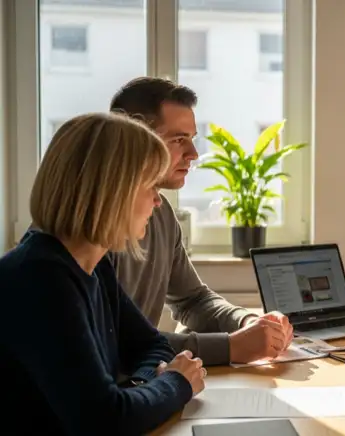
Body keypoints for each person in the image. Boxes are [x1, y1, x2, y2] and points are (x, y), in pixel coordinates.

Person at [1, 112, 206, 435]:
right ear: (111, 191)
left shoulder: (93, 263)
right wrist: (176, 382)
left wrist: (139, 388)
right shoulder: (40, 280)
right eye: (149, 185)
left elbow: (153, 346)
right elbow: (107, 420)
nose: (156, 200)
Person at [107, 76, 293, 365]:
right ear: (136, 136)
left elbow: (192, 300)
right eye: (179, 140)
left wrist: (247, 322)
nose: (193, 154)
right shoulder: (91, 225)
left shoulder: (160, 212)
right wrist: (230, 347)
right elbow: (116, 340)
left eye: (192, 139)